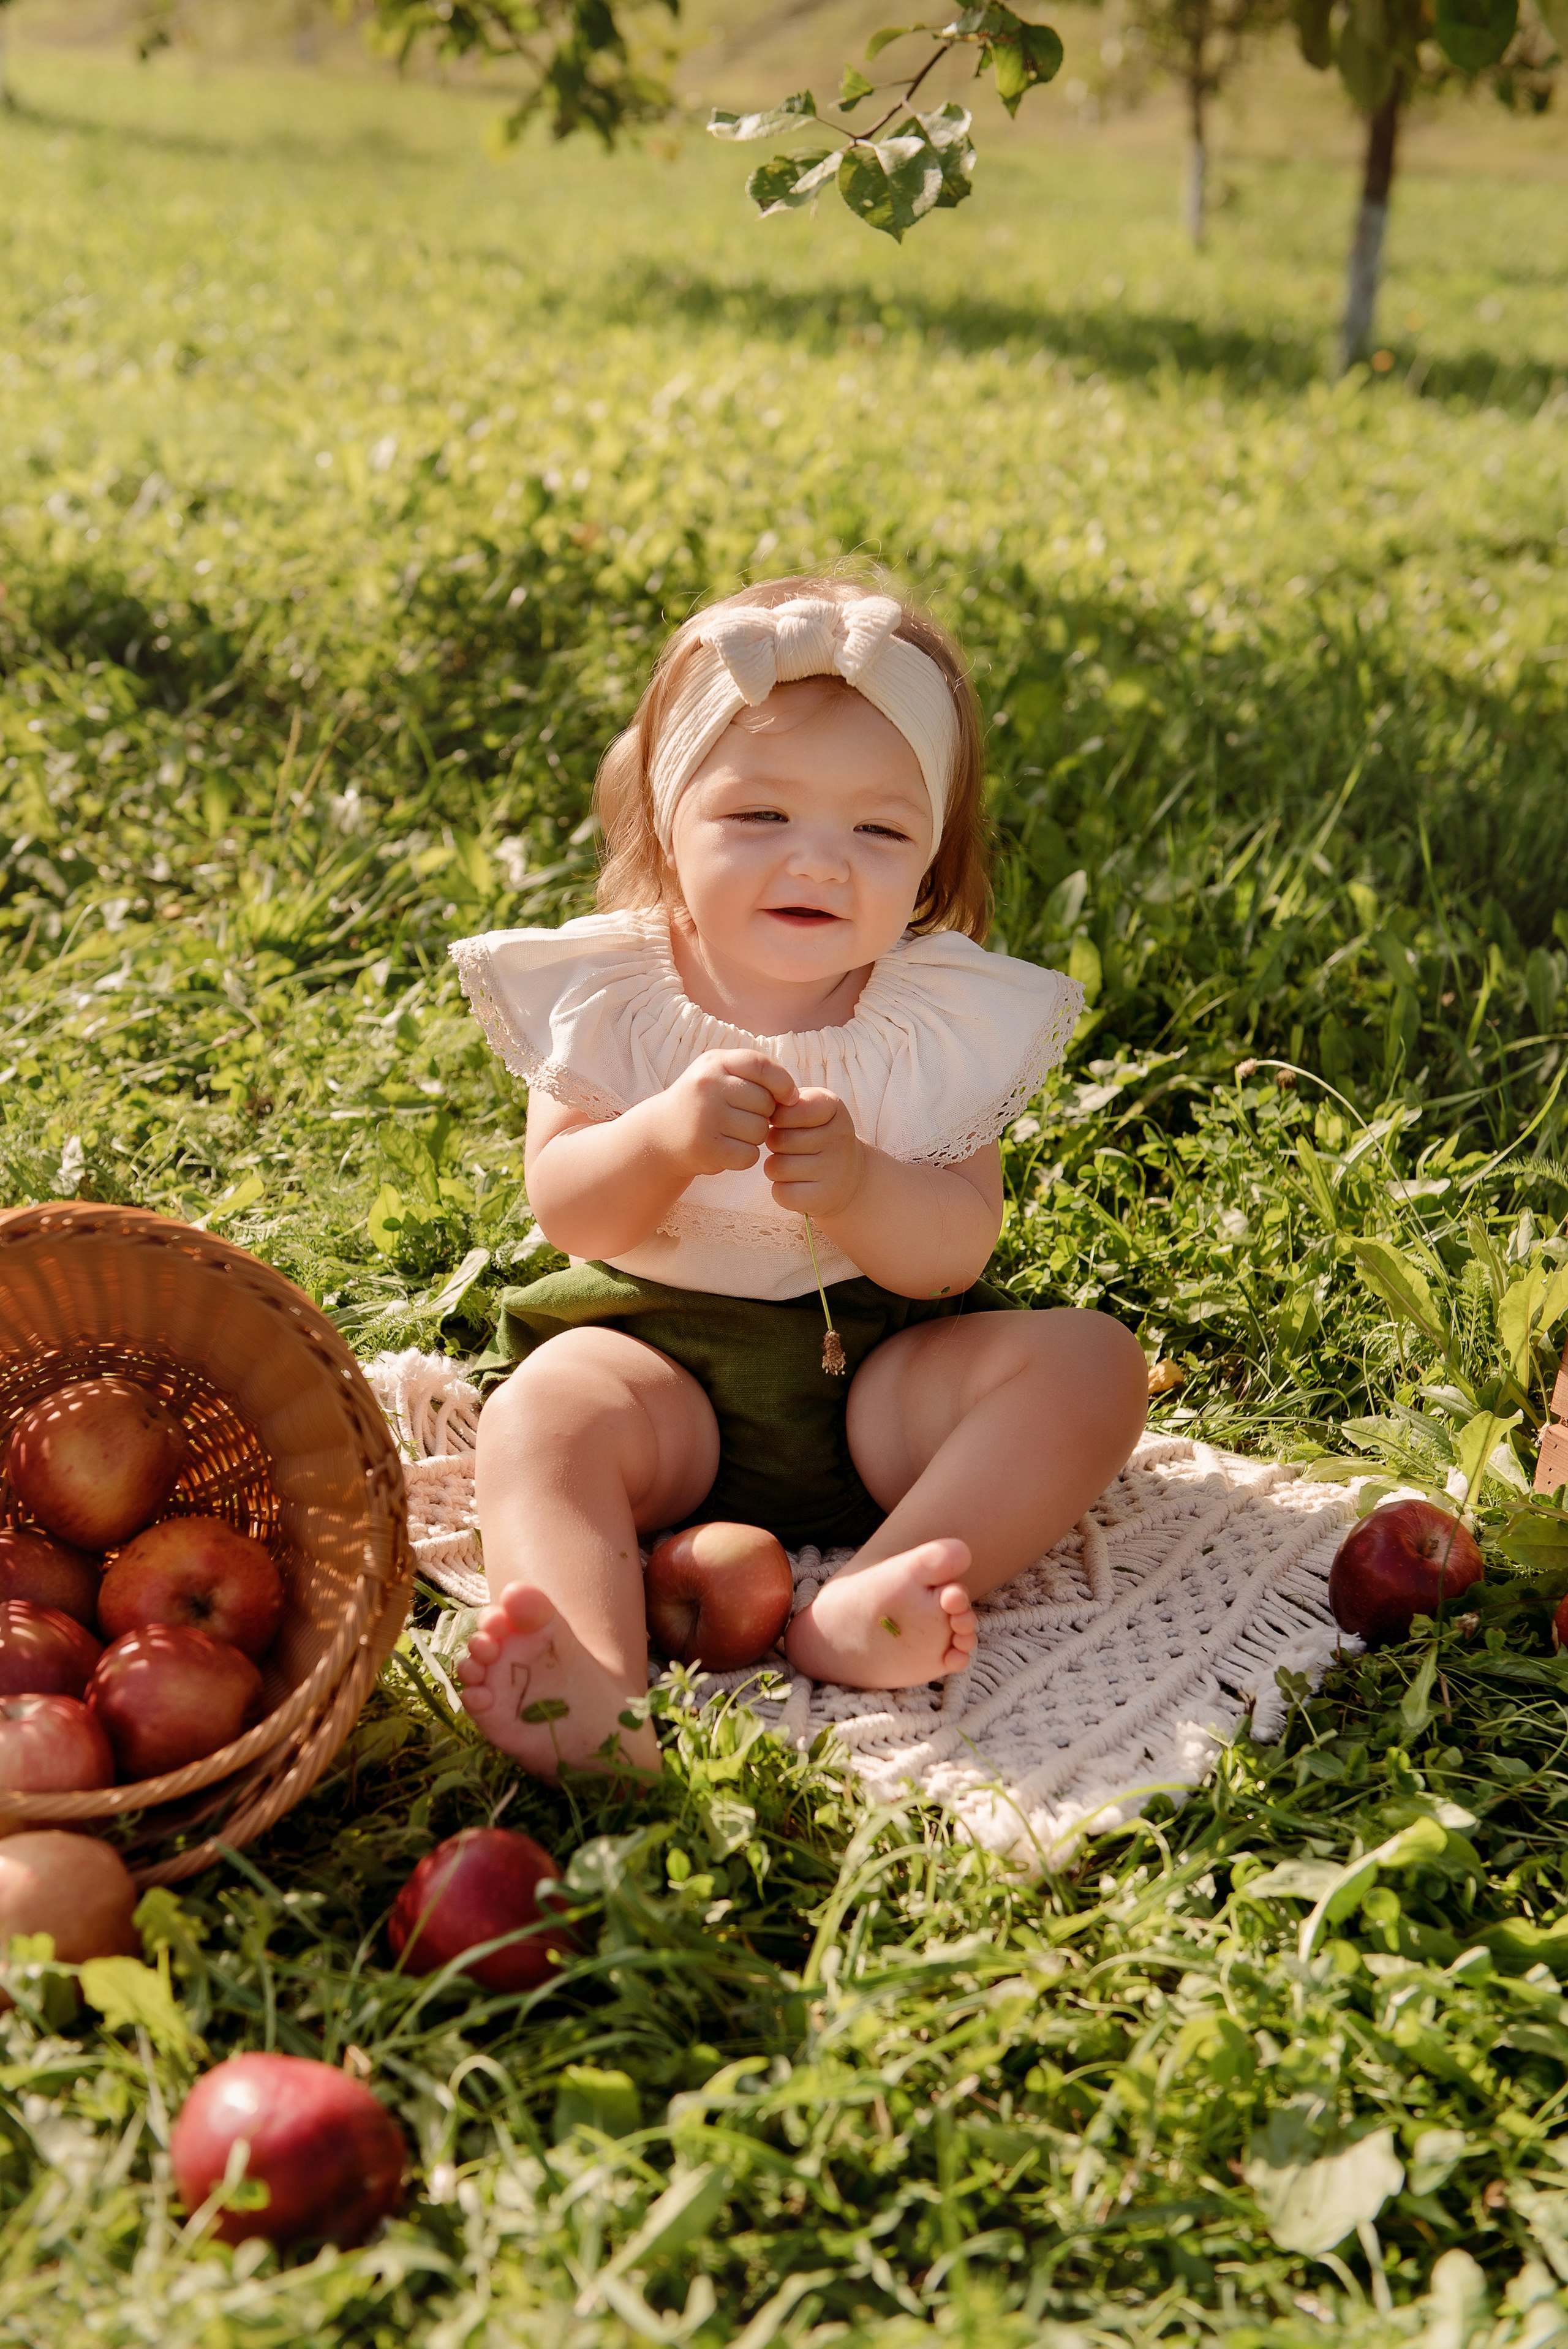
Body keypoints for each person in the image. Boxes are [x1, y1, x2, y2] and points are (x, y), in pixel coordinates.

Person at [452, 576, 1148, 1779]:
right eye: (760, 813)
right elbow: (569, 1209)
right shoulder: (609, 993)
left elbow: (952, 1253)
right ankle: (590, 1688)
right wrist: (661, 1140)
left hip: (879, 1386)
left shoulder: (936, 1017)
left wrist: (864, 1187)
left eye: (878, 832)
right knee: (540, 1417)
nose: (819, 863)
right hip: (655, 1376)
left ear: (931, 859)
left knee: (1092, 1362)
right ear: (666, 818)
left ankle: (875, 1591)